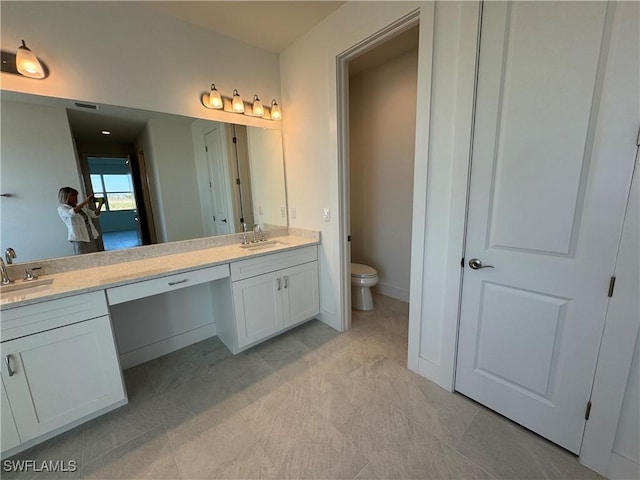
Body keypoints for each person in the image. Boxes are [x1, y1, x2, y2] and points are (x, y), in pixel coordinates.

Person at [57, 187, 105, 254]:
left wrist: (100, 205)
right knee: (82, 257)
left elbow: (94, 214)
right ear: (65, 196)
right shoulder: (62, 208)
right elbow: (71, 213)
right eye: (72, 195)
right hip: (78, 237)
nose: (75, 197)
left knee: (93, 255)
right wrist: (86, 201)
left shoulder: (81, 208)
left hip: (89, 234)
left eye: (76, 195)